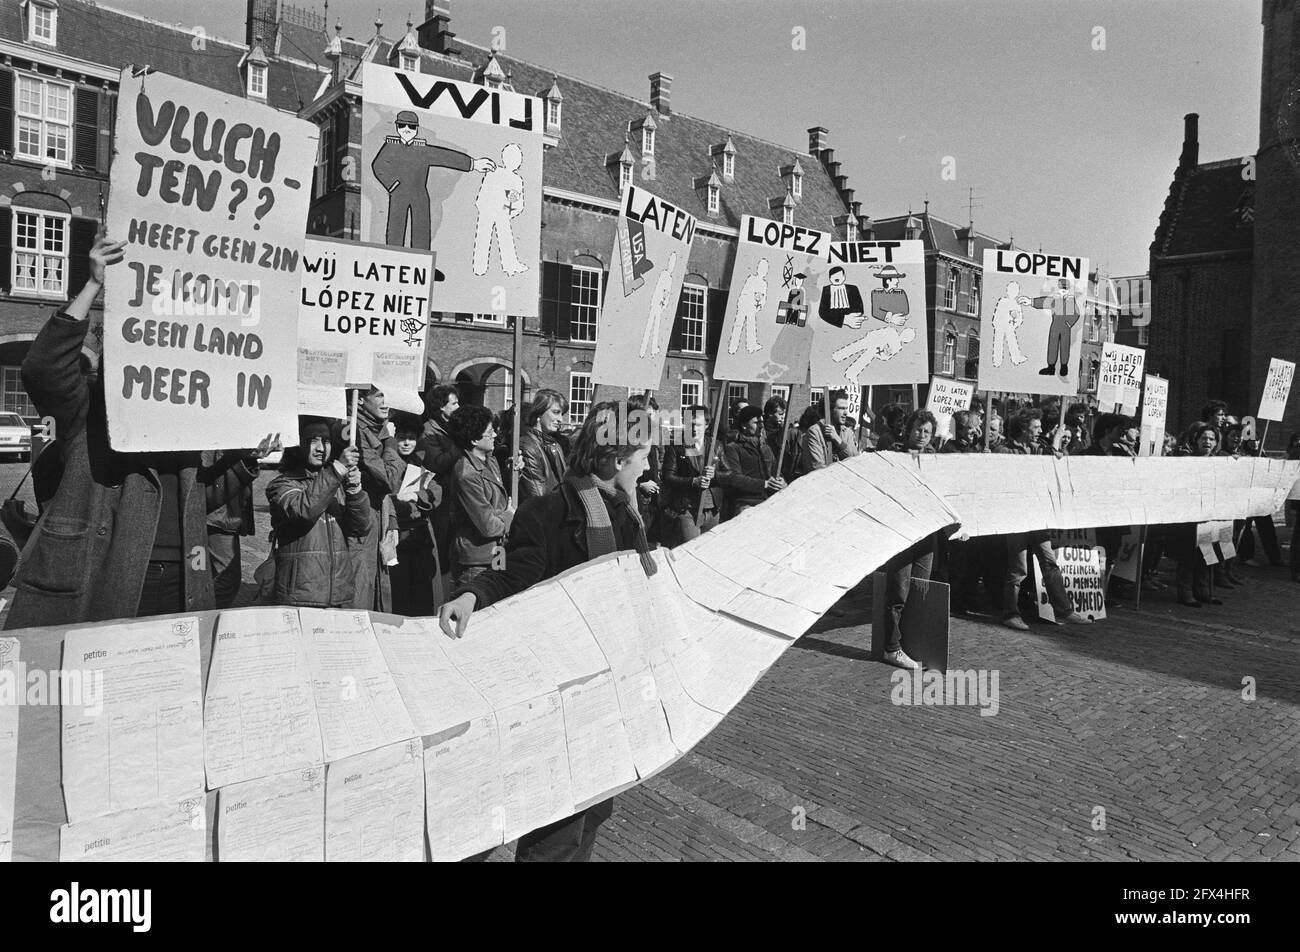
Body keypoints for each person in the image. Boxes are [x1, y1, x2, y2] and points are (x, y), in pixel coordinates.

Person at [4, 235, 272, 628]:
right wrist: (93, 284)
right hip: (107, 572)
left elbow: (201, 497)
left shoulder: (187, 422)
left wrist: (246, 459)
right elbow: (42, 370)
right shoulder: (90, 409)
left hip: (183, 577)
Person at [438, 401, 657, 862]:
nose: (650, 464)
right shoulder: (547, 513)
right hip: (563, 691)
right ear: (618, 461)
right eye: (645, 456)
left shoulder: (629, 514)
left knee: (594, 811)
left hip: (610, 683)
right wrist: (471, 596)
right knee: (557, 824)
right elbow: (513, 575)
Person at [997, 409, 1090, 630]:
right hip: (1017, 517)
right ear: (1023, 428)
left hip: (1038, 516)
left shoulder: (1039, 448)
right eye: (1036, 427)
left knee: (1049, 562)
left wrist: (1057, 447)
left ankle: (1064, 610)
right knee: (1018, 569)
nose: (1040, 431)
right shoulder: (1004, 450)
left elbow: (1053, 466)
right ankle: (1010, 614)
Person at [266, 419, 371, 608]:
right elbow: (302, 510)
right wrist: (337, 469)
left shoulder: (336, 482)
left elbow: (360, 528)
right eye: (312, 441)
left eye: (327, 441)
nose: (321, 448)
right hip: (300, 595)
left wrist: (355, 492)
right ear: (297, 445)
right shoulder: (282, 484)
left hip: (339, 595)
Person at [878, 409, 941, 668]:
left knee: (919, 590)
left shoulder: (936, 460)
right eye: (918, 429)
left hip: (926, 533)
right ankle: (891, 648)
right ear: (908, 429)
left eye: (927, 432)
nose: (921, 435)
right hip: (902, 532)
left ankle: (911, 644)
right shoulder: (894, 454)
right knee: (898, 592)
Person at [343, 387, 404, 612]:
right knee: (361, 593)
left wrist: (391, 518)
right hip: (362, 522)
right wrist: (389, 441)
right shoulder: (354, 430)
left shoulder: (374, 428)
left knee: (376, 589)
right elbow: (389, 478)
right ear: (360, 401)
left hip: (378, 520)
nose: (385, 401)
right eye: (379, 395)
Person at [201, 441, 276, 609]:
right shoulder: (216, 435)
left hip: (222, 514)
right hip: (218, 516)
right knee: (225, 580)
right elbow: (212, 471)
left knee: (218, 577)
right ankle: (207, 619)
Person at [446, 404, 513, 588]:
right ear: (474, 439)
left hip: (496, 552)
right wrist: (508, 516)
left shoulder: (489, 459)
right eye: (489, 432)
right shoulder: (467, 474)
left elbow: (496, 497)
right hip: (476, 561)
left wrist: (514, 473)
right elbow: (488, 526)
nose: (495, 435)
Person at [389, 414, 442, 615]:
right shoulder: (390, 462)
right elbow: (392, 500)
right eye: (402, 437)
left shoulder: (418, 461)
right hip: (399, 535)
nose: (406, 443)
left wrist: (417, 497)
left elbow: (436, 491)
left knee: (421, 595)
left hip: (419, 535)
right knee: (400, 595)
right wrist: (415, 502)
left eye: (411, 438)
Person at [1171, 422, 1224, 607]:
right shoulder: (1187, 460)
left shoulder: (1221, 463)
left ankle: (1204, 591)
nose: (1208, 442)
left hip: (1211, 514)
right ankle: (1185, 592)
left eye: (1211, 439)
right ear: (1196, 440)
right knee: (1189, 556)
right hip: (1191, 516)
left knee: (1208, 554)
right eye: (1204, 438)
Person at [660, 404, 718, 547]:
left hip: (712, 511)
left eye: (697, 424)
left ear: (706, 425)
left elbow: (729, 475)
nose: (693, 429)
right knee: (691, 551)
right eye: (689, 424)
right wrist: (693, 481)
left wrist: (716, 474)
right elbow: (667, 477)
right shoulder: (676, 447)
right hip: (687, 510)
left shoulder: (716, 446)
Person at [421, 383, 461, 582]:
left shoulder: (450, 428)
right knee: (442, 545)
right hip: (440, 498)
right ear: (441, 407)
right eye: (453, 403)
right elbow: (437, 463)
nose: (458, 407)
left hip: (455, 496)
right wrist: (460, 444)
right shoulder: (428, 431)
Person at [716, 404, 785, 519]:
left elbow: (776, 472)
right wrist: (764, 484)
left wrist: (783, 483)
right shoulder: (733, 448)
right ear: (744, 425)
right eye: (756, 423)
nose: (761, 426)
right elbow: (734, 478)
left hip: (770, 502)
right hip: (746, 503)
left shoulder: (765, 447)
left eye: (762, 422)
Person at [518, 389, 569, 501]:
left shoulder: (555, 444)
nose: (560, 419)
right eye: (556, 412)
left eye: (562, 414)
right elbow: (538, 497)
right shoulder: (527, 446)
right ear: (539, 412)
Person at [627, 393, 662, 543]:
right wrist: (641, 485)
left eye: (652, 415)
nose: (651, 420)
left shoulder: (652, 441)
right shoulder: (628, 442)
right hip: (637, 502)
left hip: (653, 503)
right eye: (646, 416)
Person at [799, 390, 859, 471]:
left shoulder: (847, 432)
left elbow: (855, 462)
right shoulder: (814, 432)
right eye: (841, 408)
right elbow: (817, 467)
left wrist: (838, 440)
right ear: (830, 410)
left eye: (846, 408)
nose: (845, 413)